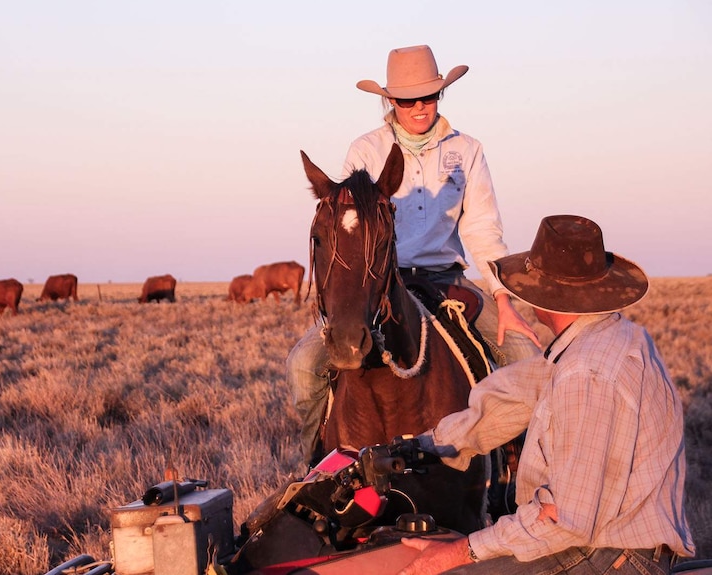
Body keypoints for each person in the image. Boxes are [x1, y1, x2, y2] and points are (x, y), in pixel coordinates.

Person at [395, 214, 694, 575]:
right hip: (600, 543)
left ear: (545, 293)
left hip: (608, 557)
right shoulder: (596, 342)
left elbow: (564, 519)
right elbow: (509, 398)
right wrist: (423, 447)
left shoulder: (587, 373)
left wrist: (462, 551)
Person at [287, 44, 541, 465]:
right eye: (407, 99)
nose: (419, 107)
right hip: (383, 283)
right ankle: (315, 466)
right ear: (390, 100)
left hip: (447, 280)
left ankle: (522, 478)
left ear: (441, 94)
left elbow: (482, 228)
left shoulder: (468, 150)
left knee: (525, 357)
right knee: (303, 365)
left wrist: (503, 298)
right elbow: (353, 232)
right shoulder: (366, 150)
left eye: (429, 96)